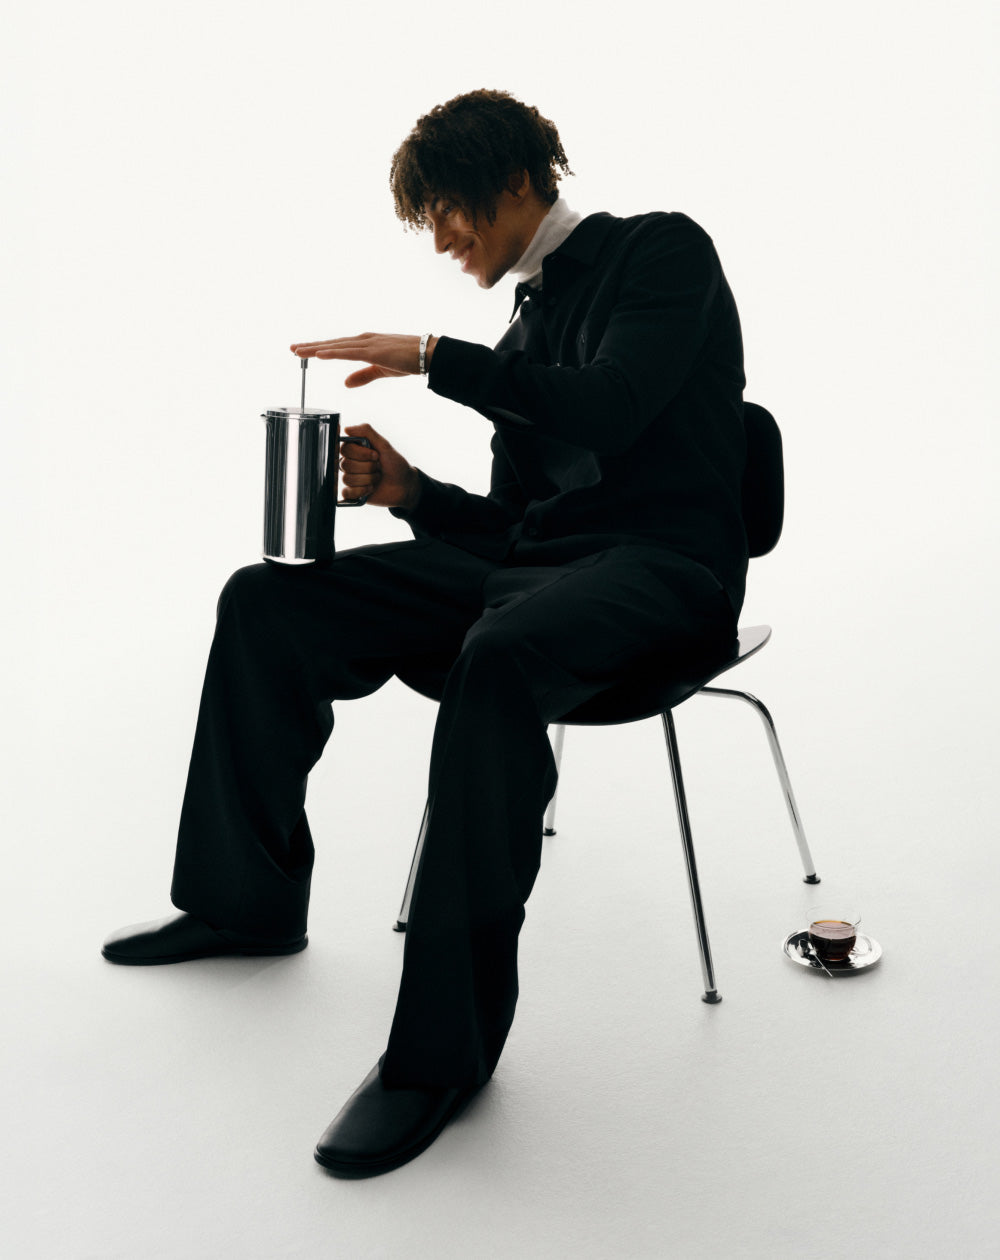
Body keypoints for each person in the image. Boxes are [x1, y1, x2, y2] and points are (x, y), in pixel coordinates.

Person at [102, 88, 749, 1177]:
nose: (441, 238)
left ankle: (439, 1058)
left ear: (516, 180)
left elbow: (611, 406)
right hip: (547, 576)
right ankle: (244, 904)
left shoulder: (661, 252)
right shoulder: (523, 329)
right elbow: (515, 530)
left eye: (448, 209)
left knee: (497, 657)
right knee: (267, 599)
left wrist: (434, 356)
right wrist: (410, 493)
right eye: (428, 221)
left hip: (667, 572)